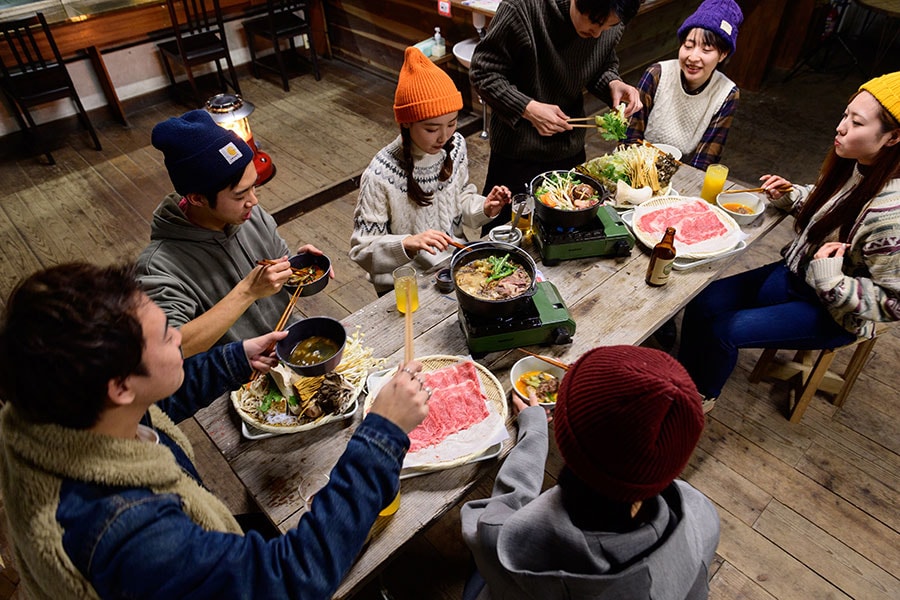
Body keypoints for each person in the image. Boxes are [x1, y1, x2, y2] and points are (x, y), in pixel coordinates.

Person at [0, 262, 431, 599]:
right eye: (167, 335)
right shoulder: (128, 533)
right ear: (119, 386)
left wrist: (234, 359)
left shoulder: (59, 411)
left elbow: (156, 400)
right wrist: (382, 434)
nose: (179, 337)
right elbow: (290, 580)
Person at [678, 71, 900, 409]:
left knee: (722, 331)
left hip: (831, 311)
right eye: (845, 115)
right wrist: (793, 195)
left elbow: (893, 303)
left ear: (893, 137)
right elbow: (833, 206)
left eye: (856, 123)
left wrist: (831, 278)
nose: (840, 127)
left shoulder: (891, 216)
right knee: (700, 301)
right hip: (794, 276)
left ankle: (698, 401)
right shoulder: (858, 165)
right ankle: (680, 378)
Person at [461, 345, 718, 600]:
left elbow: (483, 521)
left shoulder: (517, 540)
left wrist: (535, 430)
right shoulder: (702, 511)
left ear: (564, 434)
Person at [137, 109, 328, 358]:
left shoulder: (249, 215)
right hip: (238, 379)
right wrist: (247, 292)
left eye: (253, 187)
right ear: (197, 198)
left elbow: (279, 272)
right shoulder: (158, 267)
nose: (254, 202)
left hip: (292, 344)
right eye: (240, 195)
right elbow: (167, 350)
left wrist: (300, 269)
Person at [469, 0, 644, 234]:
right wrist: (528, 108)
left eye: (608, 27)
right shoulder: (523, 8)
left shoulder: (609, 19)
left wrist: (612, 83)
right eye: (595, 23)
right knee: (505, 236)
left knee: (569, 233)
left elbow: (600, 64)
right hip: (517, 151)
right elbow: (484, 72)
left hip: (569, 149)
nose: (597, 34)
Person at [350, 46, 511, 294]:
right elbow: (362, 250)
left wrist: (485, 207)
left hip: (454, 266)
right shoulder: (380, 174)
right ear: (406, 123)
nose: (444, 137)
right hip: (406, 284)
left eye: (452, 123)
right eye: (431, 129)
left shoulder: (455, 146)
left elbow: (460, 202)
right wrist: (408, 243)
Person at [624, 0, 743, 170]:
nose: (693, 57)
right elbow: (630, 137)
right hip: (636, 164)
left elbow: (705, 159)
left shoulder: (727, 93)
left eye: (706, 50)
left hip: (680, 172)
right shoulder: (657, 74)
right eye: (688, 45)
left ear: (723, 54)